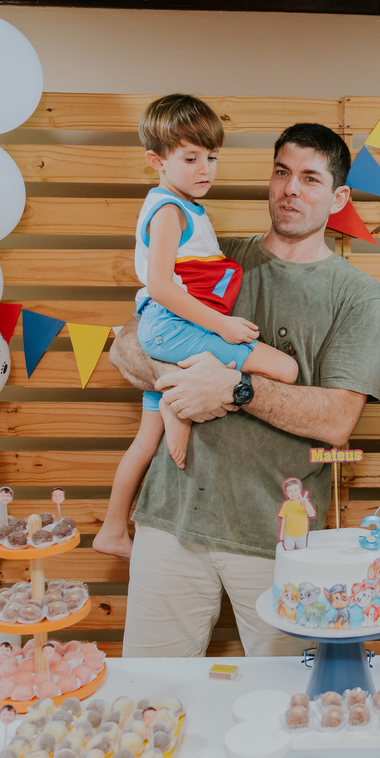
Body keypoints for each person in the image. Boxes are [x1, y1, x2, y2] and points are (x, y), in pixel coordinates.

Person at [108, 122, 380, 657]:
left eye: (310, 177)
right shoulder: (215, 254)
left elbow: (336, 421)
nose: (290, 189)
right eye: (281, 172)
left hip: (279, 536)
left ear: (339, 197)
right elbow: (128, 348)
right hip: (171, 521)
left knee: (290, 701)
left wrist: (236, 388)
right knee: (152, 692)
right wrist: (194, 378)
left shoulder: (356, 295)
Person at [94, 95, 300, 560]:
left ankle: (111, 528)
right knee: (284, 369)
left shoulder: (182, 206)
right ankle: (176, 400)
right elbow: (161, 286)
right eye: (190, 158)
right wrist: (222, 326)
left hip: (166, 330)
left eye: (211, 158)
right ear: (156, 160)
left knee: (146, 441)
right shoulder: (169, 210)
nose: (205, 168)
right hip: (171, 327)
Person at [276, 477, 316, 550]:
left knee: (300, 552)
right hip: (288, 534)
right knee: (289, 551)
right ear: (286, 493)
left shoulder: (304, 502)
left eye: (295, 490)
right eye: (290, 491)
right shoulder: (285, 505)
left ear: (300, 490)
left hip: (302, 534)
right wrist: (281, 532)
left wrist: (305, 506)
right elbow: (284, 519)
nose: (293, 493)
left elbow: (311, 514)